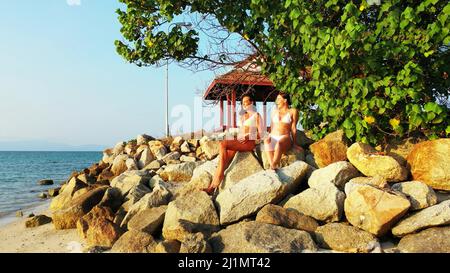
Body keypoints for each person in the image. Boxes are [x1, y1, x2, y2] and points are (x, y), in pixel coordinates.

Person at [202, 94, 264, 195]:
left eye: (246, 102)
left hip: (249, 142)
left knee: (223, 144)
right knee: (224, 160)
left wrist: (248, 136)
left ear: (252, 102)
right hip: (239, 141)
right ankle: (211, 188)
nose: (244, 104)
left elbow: (261, 134)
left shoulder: (256, 115)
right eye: (243, 103)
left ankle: (219, 176)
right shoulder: (243, 116)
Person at [263, 92, 302, 170]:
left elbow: (293, 128)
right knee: (266, 140)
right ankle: (273, 166)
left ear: (285, 100)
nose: (277, 101)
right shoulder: (274, 111)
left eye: (279, 99)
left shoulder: (293, 111)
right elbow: (271, 126)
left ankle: (273, 165)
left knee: (279, 144)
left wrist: (295, 143)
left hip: (285, 137)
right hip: (273, 136)